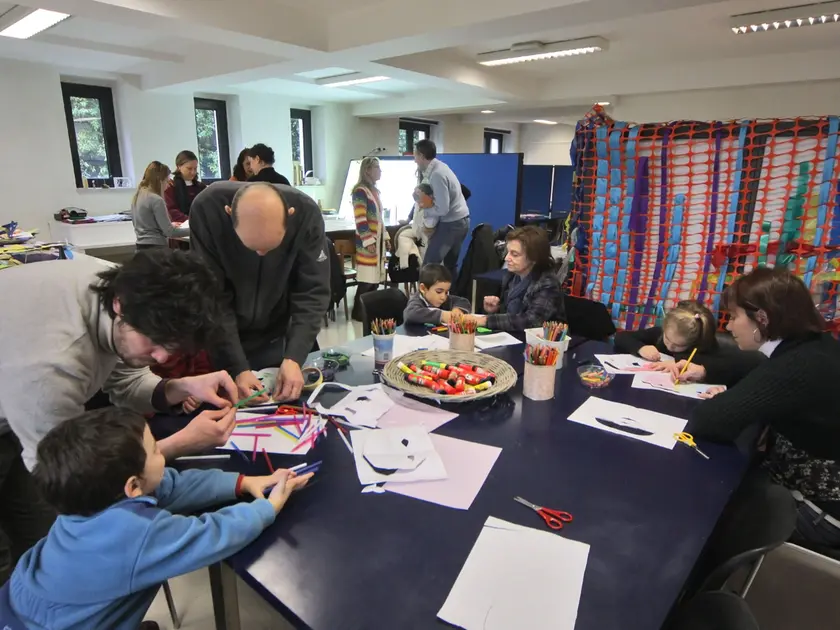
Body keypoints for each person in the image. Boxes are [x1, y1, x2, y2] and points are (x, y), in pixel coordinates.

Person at [0, 250, 242, 584]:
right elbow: (72, 475)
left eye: (173, 347)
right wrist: (178, 445)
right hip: (27, 397)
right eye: (155, 344)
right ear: (119, 306)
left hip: (24, 400)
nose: (161, 357)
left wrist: (181, 386)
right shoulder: (52, 367)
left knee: (37, 536)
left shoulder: (128, 287)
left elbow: (123, 373)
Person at [1, 408, 312, 629]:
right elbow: (211, 534)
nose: (163, 454)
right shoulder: (132, 535)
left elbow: (169, 485)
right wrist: (266, 509)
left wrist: (241, 483)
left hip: (24, 601)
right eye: (156, 451)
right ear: (132, 486)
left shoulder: (85, 504)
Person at [666, 267, 840, 546]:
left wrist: (727, 399)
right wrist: (712, 375)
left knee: (698, 507)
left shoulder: (796, 366)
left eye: (734, 317)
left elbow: (709, 420)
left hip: (820, 510)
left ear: (762, 318)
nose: (729, 326)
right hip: (809, 485)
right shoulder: (814, 346)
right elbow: (757, 369)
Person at [189, 182, 330, 404]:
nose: (261, 254)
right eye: (252, 248)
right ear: (228, 215)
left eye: (271, 247)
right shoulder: (207, 209)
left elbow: (312, 292)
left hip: (276, 333)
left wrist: (294, 357)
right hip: (224, 333)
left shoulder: (306, 213)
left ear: (290, 216)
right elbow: (213, 299)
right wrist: (237, 368)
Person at [473, 226, 565, 331]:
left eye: (515, 254)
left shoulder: (548, 284)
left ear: (534, 258)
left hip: (543, 343)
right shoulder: (512, 276)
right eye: (508, 252)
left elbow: (532, 321)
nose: (506, 258)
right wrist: (497, 308)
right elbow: (511, 313)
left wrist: (486, 320)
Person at [413, 139, 470, 274]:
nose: (414, 160)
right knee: (450, 266)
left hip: (452, 224)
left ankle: (424, 295)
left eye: (415, 156)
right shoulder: (440, 167)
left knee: (429, 267)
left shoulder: (437, 174)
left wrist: (424, 211)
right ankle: (450, 294)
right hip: (460, 221)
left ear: (421, 155)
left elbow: (442, 209)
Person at [614, 300, 719, 363]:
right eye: (667, 339)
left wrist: (677, 362)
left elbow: (717, 365)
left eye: (678, 345)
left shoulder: (704, 347)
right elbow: (621, 337)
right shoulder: (659, 334)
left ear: (693, 342)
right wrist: (641, 348)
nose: (670, 347)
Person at [351, 157, 389, 321]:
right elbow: (360, 219)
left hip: (377, 240)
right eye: (377, 168)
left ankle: (369, 311)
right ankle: (358, 312)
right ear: (367, 170)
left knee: (374, 280)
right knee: (366, 280)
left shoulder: (374, 191)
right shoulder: (360, 191)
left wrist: (386, 237)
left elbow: (379, 218)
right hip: (368, 241)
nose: (380, 171)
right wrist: (368, 240)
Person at [131, 161, 189, 250]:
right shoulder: (156, 200)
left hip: (140, 248)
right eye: (166, 181)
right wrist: (195, 230)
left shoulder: (138, 196)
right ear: (159, 180)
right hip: (156, 250)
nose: (167, 186)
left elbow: (147, 224)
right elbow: (170, 233)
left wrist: (169, 224)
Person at [403, 263, 471, 325]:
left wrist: (457, 309)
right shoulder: (416, 301)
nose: (443, 297)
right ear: (423, 288)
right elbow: (411, 314)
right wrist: (442, 315)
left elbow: (463, 301)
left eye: (446, 292)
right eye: (439, 292)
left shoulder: (444, 299)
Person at [164, 150, 206, 222]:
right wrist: (191, 220)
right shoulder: (170, 187)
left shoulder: (201, 187)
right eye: (189, 168)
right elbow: (171, 210)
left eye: (195, 168)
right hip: (182, 226)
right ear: (179, 167)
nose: (193, 172)